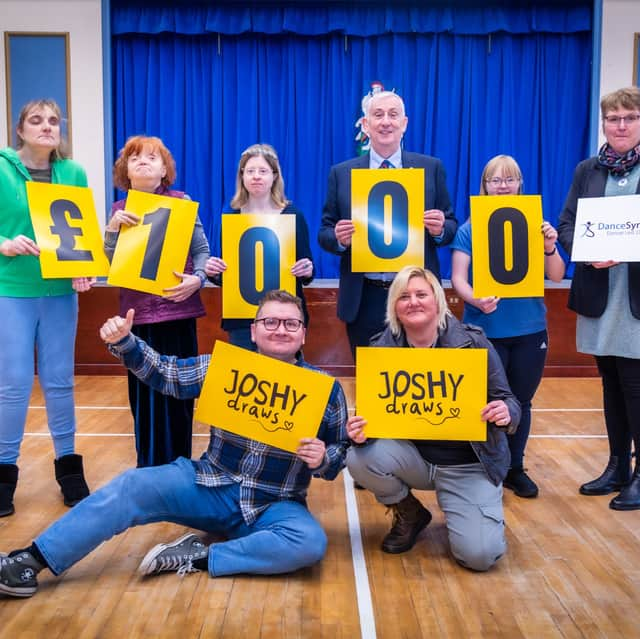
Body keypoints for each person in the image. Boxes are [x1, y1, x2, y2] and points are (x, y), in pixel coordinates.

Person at [0, 290, 349, 598]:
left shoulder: (325, 389)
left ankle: (198, 556)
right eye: (270, 321)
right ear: (254, 331)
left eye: (291, 324)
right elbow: (169, 375)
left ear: (303, 334)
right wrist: (126, 342)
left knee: (309, 543)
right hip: (210, 485)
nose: (280, 329)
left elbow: (338, 455)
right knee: (132, 485)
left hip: (275, 503)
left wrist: (322, 458)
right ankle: (30, 560)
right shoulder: (225, 368)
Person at [346, 266, 521, 571]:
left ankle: (470, 508)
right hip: (414, 458)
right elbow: (372, 417)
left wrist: (506, 413)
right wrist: (362, 431)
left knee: (480, 557)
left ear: (438, 301)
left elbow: (509, 399)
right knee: (358, 457)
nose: (412, 302)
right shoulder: (381, 348)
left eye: (421, 294)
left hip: (468, 464)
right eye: (404, 296)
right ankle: (410, 513)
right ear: (395, 308)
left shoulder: (473, 343)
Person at [450, 155, 565, 498]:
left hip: (529, 330)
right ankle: (480, 467)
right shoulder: (469, 229)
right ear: (483, 186)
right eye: (494, 180)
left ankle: (515, 468)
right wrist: (476, 300)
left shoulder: (535, 226)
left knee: (521, 402)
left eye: (509, 179)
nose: (502, 186)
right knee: (484, 401)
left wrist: (549, 247)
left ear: (520, 184)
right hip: (485, 330)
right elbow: (458, 278)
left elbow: (557, 274)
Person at [0, 99, 91, 517]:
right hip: (12, 289)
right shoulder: (1, 168)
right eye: (36, 120)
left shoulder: (73, 173)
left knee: (60, 381)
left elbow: (79, 234)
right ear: (20, 130)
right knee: (14, 384)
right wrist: (4, 244)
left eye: (54, 120)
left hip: (59, 293)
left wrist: (85, 270)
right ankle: (3, 476)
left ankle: (69, 469)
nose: (47, 127)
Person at [317, 91, 458, 357]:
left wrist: (440, 230)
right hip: (365, 297)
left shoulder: (431, 168)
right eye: (378, 115)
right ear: (365, 124)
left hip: (416, 297)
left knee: (420, 379)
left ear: (404, 123)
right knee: (372, 386)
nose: (386, 122)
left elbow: (451, 226)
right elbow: (324, 232)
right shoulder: (342, 173)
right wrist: (338, 238)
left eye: (393, 115)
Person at [104, 135, 210, 467]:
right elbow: (109, 261)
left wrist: (199, 279)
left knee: (179, 397)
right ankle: (147, 468)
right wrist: (110, 231)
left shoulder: (182, 201)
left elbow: (202, 252)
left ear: (164, 169)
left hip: (178, 313)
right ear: (125, 170)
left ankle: (179, 468)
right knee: (143, 399)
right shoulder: (119, 211)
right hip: (137, 319)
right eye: (135, 158)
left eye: (152, 157)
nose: (144, 162)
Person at [558, 87, 640, 510]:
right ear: (603, 124)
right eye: (613, 119)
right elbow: (567, 223)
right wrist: (588, 255)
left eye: (629, 118)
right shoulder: (587, 169)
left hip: (635, 299)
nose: (620, 125)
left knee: (635, 384)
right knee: (609, 382)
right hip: (598, 294)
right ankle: (616, 467)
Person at [205, 144, 314, 350]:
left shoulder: (293, 215)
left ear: (274, 176)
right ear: (242, 176)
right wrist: (214, 271)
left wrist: (307, 269)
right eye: (250, 171)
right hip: (242, 319)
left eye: (263, 171)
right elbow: (226, 273)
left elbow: (308, 271)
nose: (256, 176)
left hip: (285, 320)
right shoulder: (231, 216)